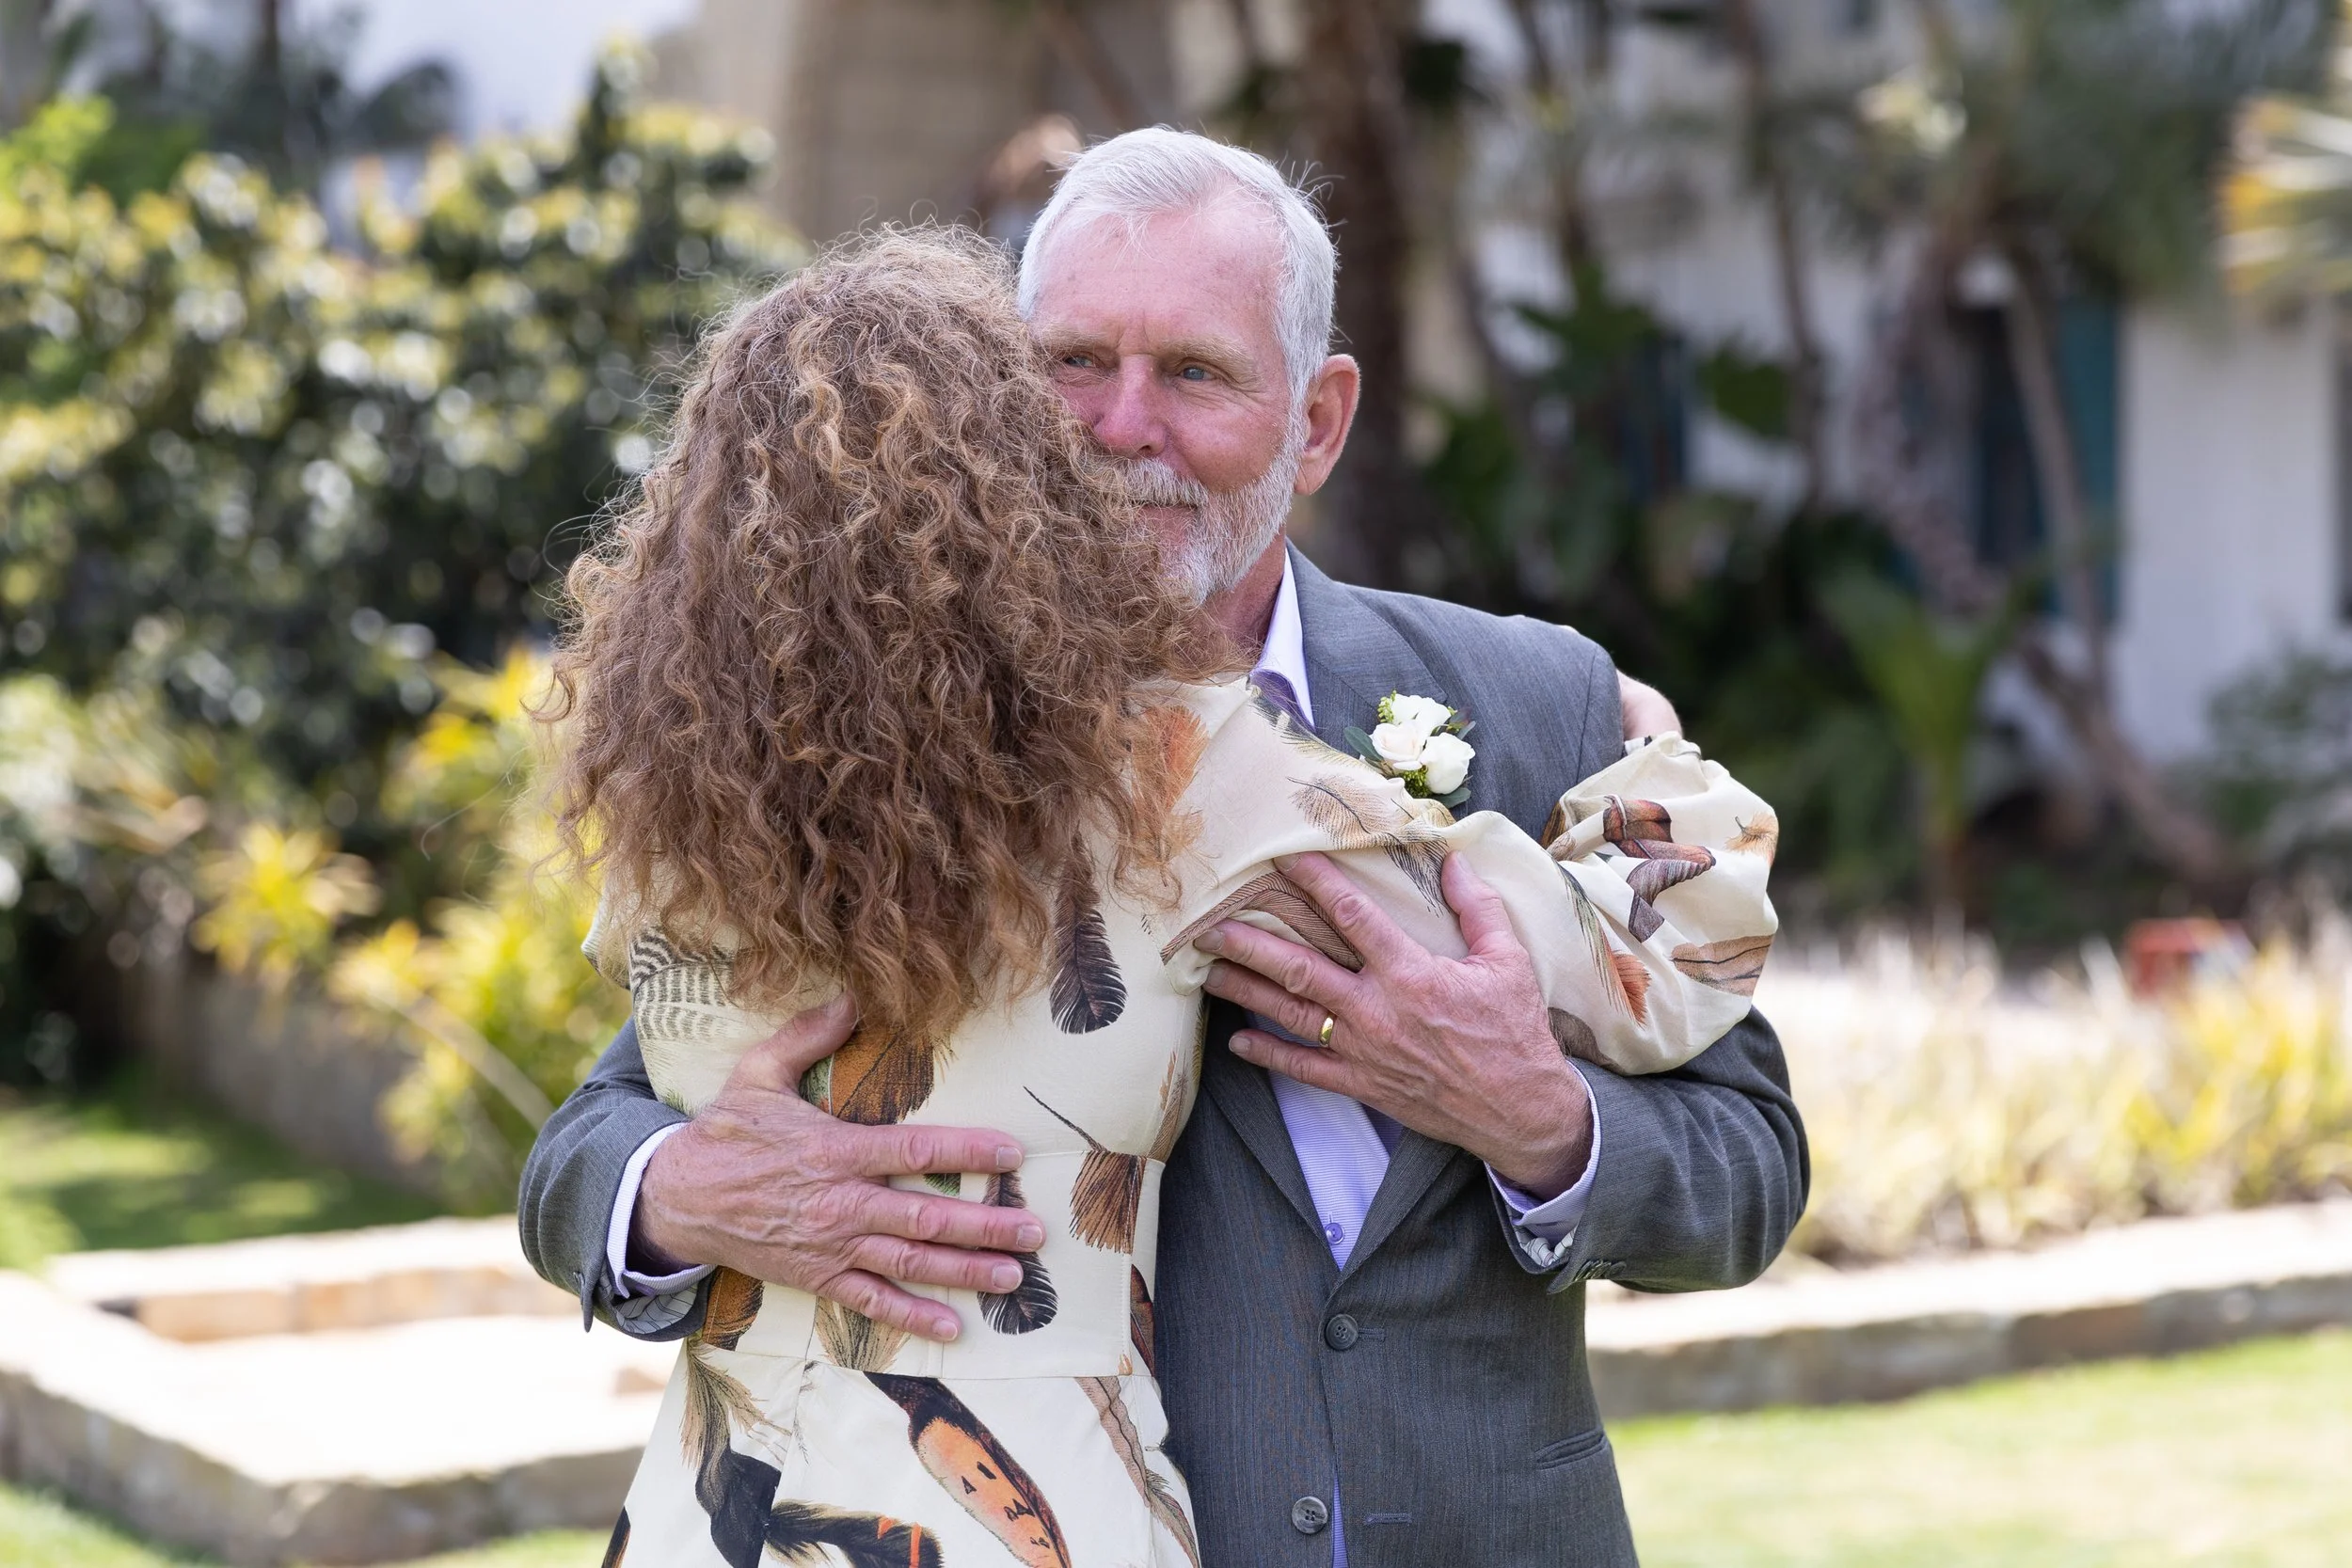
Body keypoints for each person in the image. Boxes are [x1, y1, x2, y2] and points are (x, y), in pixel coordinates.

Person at [522, 130, 1807, 1567]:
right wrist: (677, 1194)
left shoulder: (1540, 698)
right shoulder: (873, 748)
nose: (1122, 426)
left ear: (1318, 422)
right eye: (1072, 363)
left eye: (1194, 373)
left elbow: (1751, 1165)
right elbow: (600, 1135)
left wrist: (1540, 1125)